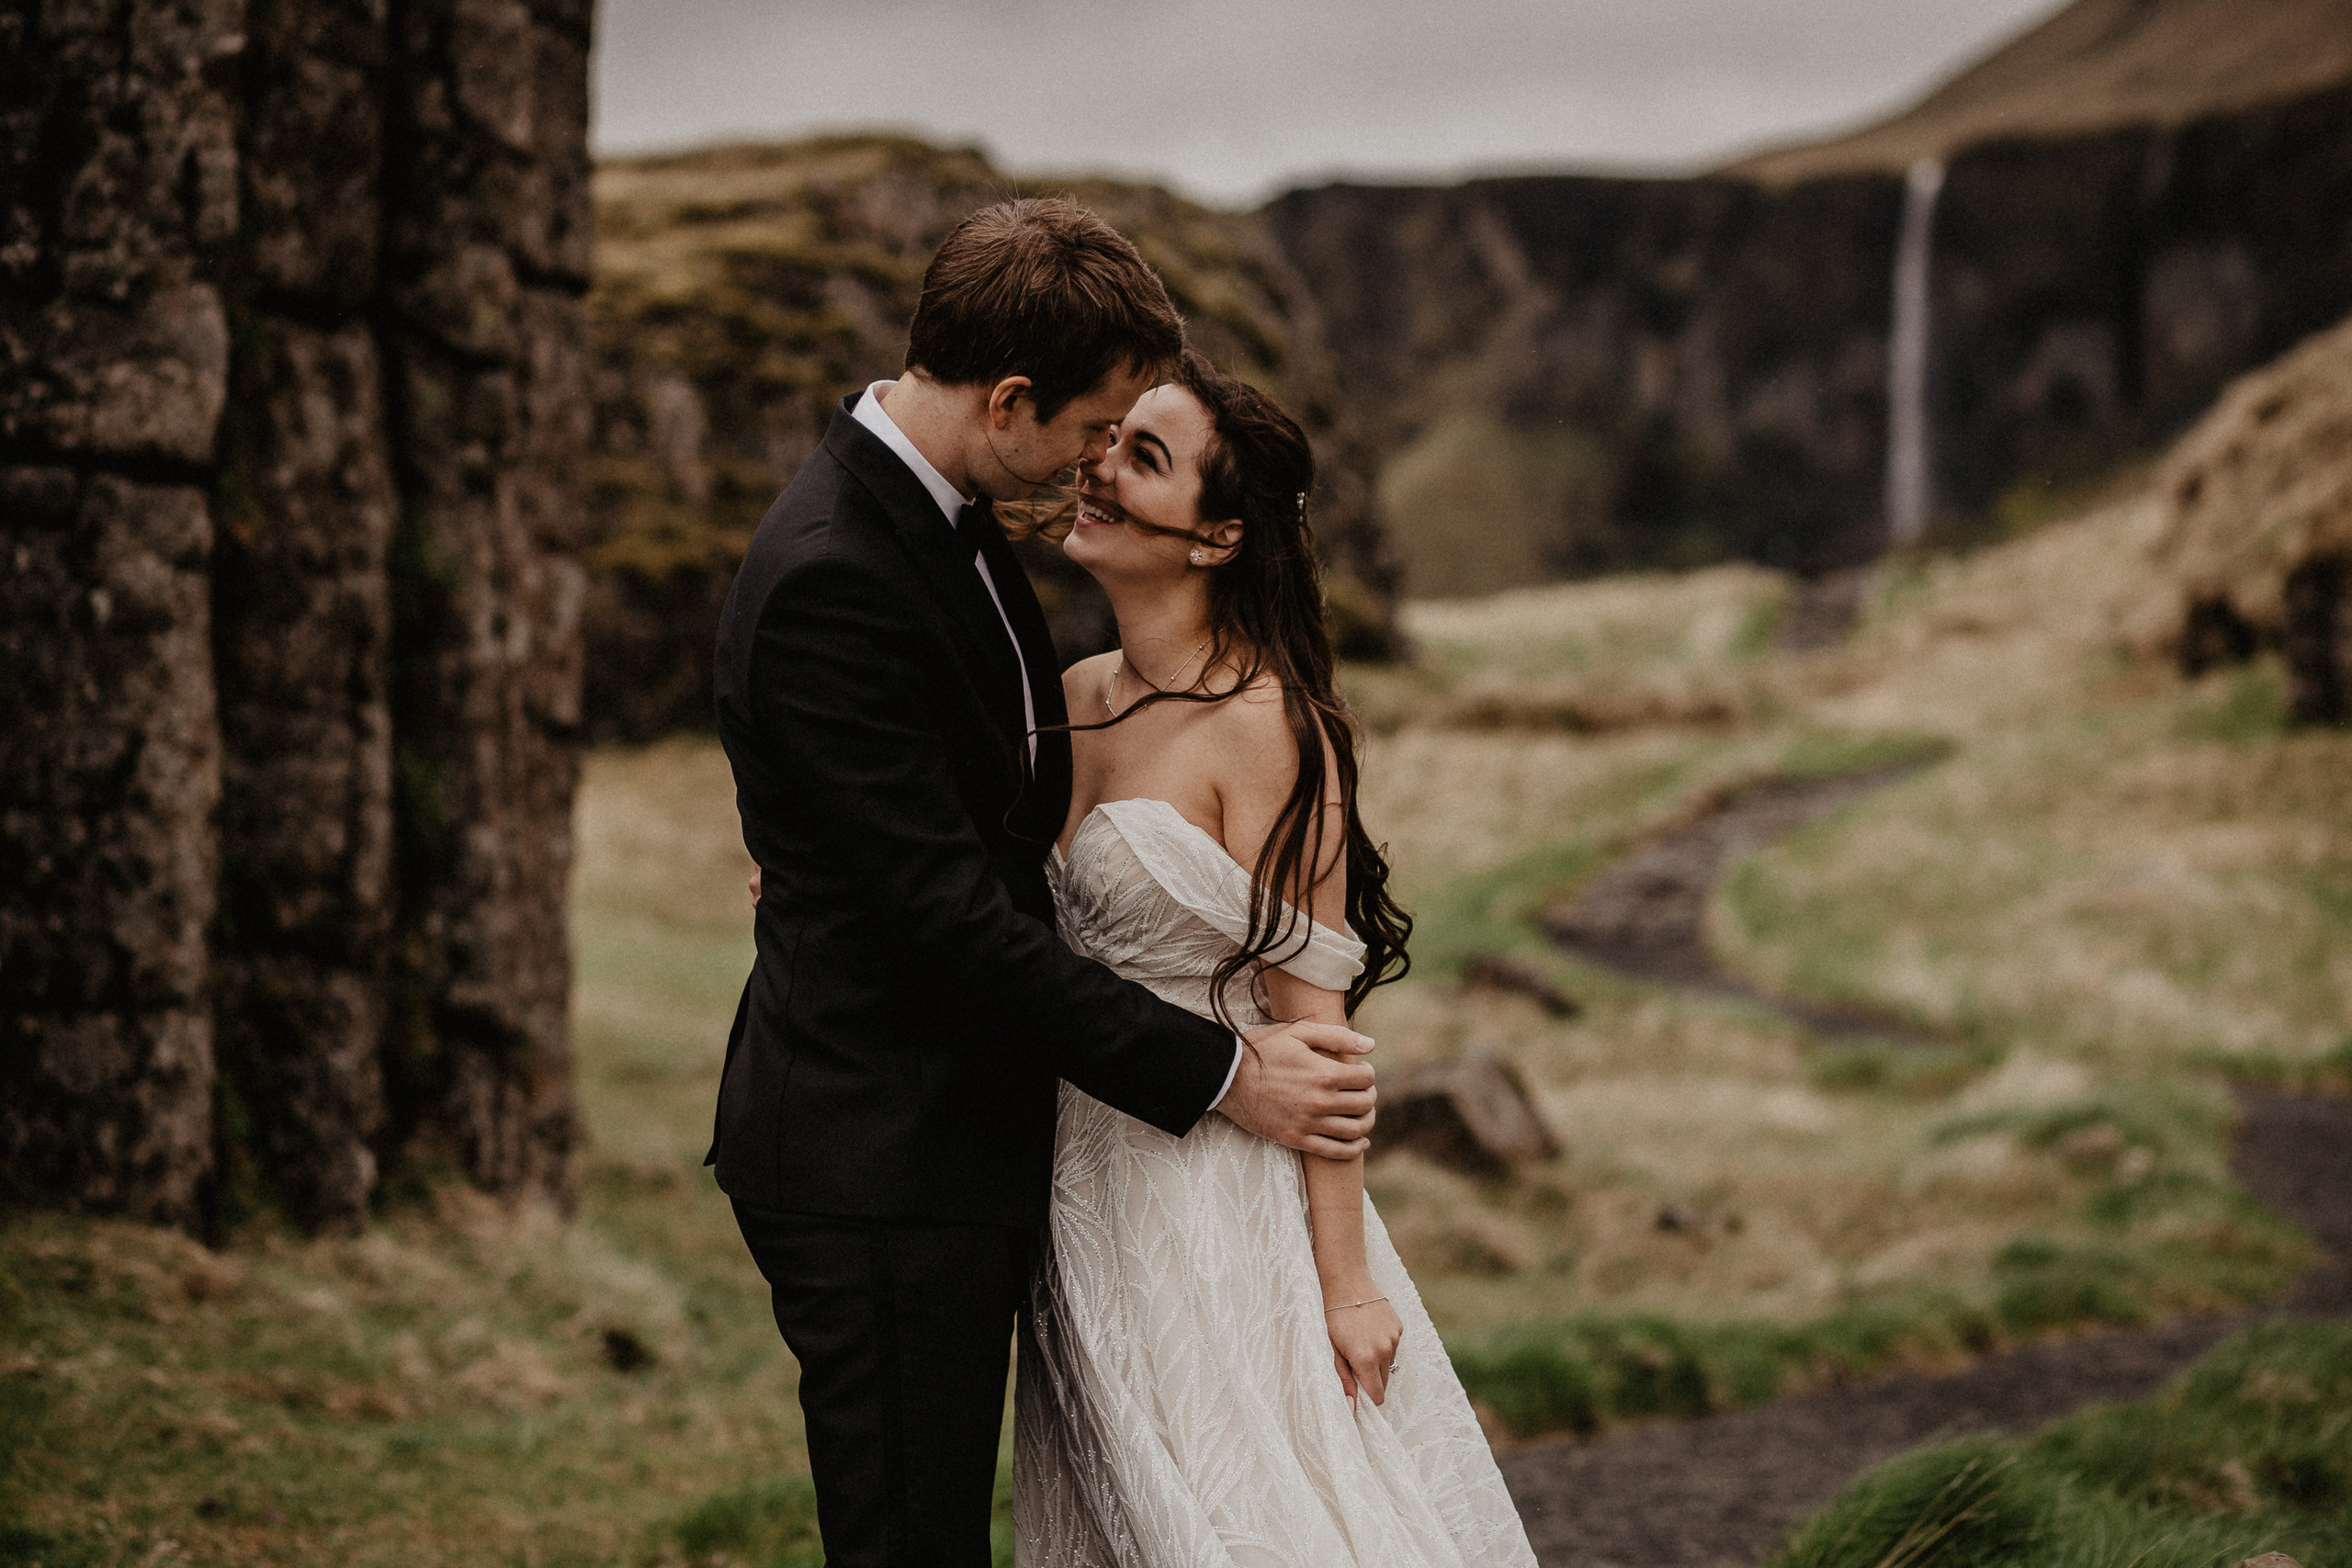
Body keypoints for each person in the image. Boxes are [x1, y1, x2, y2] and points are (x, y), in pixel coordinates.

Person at [709, 199, 1384, 1568]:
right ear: (1011, 399)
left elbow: (969, 840)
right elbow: (953, 923)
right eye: (1095, 430)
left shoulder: (951, 530)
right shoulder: (841, 568)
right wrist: (1223, 1075)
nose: (1092, 468)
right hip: (881, 1151)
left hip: (1011, 1157)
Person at [1013, 350, 1538, 1567]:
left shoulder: (1272, 732)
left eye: (1142, 459)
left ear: (1214, 539)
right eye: (1112, 442)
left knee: (1245, 1522)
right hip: (1077, 1192)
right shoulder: (1067, 695)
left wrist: (1348, 1284)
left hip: (1213, 1201)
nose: (1098, 471)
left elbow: (1322, 1039)